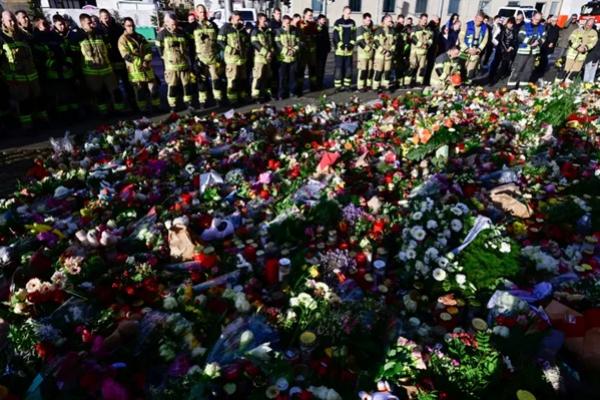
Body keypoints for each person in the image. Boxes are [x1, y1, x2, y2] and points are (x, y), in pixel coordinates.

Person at [0, 10, 44, 128]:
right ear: (2, 21)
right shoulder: (1, 38)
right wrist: (5, 78)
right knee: (24, 105)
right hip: (16, 80)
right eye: (10, 21)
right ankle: (28, 127)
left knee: (37, 101)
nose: (13, 23)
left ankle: (42, 123)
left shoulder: (23, 35)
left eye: (14, 20)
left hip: (32, 76)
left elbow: (35, 51)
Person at [32, 16, 77, 118]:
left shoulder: (56, 36)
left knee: (71, 95)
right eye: (44, 24)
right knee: (59, 97)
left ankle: (75, 114)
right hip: (53, 74)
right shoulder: (37, 40)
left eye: (47, 23)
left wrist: (68, 63)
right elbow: (40, 58)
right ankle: (64, 117)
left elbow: (67, 50)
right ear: (37, 26)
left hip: (67, 71)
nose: (47, 25)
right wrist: (56, 66)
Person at [118, 17, 159, 113]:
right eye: (129, 26)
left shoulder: (140, 37)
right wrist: (141, 63)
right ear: (124, 27)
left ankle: (156, 107)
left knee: (153, 87)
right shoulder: (122, 40)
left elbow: (149, 49)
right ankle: (143, 110)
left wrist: (146, 60)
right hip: (135, 70)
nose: (131, 27)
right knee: (139, 91)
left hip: (147, 67)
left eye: (132, 25)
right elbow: (126, 56)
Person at [156, 12, 193, 111]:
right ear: (166, 23)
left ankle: (188, 103)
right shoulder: (162, 34)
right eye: (172, 24)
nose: (174, 26)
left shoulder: (182, 33)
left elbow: (188, 47)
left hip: (184, 65)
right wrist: (166, 59)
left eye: (176, 24)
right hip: (171, 67)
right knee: (172, 86)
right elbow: (159, 50)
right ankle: (173, 105)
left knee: (187, 85)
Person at [98, 9, 128, 112]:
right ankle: (115, 106)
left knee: (126, 83)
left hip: (120, 59)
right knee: (113, 86)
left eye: (108, 17)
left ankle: (130, 103)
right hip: (108, 62)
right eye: (104, 17)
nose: (107, 19)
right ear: (100, 18)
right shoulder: (98, 31)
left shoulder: (118, 28)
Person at [193, 5, 223, 107]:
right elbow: (189, 44)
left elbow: (218, 41)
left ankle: (218, 99)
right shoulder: (193, 26)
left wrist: (219, 56)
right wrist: (194, 59)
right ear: (196, 13)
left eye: (204, 12)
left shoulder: (213, 25)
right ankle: (203, 101)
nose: (203, 14)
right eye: (201, 12)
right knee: (201, 81)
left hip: (213, 57)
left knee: (216, 79)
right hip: (200, 58)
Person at [218, 11, 250, 104]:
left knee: (242, 79)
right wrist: (231, 50)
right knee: (232, 79)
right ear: (231, 19)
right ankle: (232, 99)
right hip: (232, 60)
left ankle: (242, 97)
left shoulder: (242, 29)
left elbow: (247, 41)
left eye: (241, 19)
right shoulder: (226, 28)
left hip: (242, 59)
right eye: (238, 19)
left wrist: (246, 49)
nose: (240, 21)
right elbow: (220, 41)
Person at [508, 11, 545, 88]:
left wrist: (538, 42)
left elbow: (544, 37)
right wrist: (531, 42)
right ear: (533, 17)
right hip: (523, 52)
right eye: (536, 19)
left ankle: (522, 88)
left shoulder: (542, 28)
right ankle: (510, 87)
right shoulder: (525, 26)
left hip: (533, 53)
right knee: (517, 69)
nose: (537, 21)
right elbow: (520, 36)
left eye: (539, 19)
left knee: (527, 71)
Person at [556, 18, 598, 83]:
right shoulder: (577, 30)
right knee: (565, 70)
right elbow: (570, 40)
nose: (588, 26)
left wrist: (585, 48)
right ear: (585, 23)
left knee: (575, 72)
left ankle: (567, 86)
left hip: (581, 56)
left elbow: (593, 43)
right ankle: (557, 84)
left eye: (590, 25)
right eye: (588, 24)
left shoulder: (594, 33)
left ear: (592, 25)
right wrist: (577, 47)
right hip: (571, 55)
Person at [459, 11, 489, 82]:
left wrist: (478, 50)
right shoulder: (466, 25)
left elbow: (484, 41)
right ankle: (458, 84)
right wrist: (467, 49)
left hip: (475, 53)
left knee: (470, 72)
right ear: (475, 18)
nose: (479, 23)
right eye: (478, 20)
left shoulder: (485, 28)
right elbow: (461, 38)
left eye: (481, 21)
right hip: (465, 52)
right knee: (461, 69)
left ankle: (467, 86)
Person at [250, 13, 274, 102]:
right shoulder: (255, 31)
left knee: (268, 77)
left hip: (268, 58)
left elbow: (270, 43)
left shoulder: (267, 31)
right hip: (259, 58)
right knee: (258, 77)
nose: (265, 22)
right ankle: (255, 95)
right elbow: (255, 44)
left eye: (266, 21)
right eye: (264, 20)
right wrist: (266, 52)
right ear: (259, 20)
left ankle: (266, 93)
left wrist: (271, 51)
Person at [274, 15, 299, 99]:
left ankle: (292, 92)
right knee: (282, 77)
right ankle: (281, 94)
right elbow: (277, 44)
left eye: (289, 23)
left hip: (293, 57)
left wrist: (294, 50)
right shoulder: (278, 31)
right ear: (283, 22)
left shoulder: (294, 31)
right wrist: (286, 51)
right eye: (287, 23)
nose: (288, 25)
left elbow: (299, 43)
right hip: (282, 57)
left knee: (293, 76)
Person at [332, 6, 356, 92]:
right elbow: (335, 35)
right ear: (343, 12)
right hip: (340, 51)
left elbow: (354, 35)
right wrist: (341, 45)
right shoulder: (338, 22)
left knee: (349, 69)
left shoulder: (352, 22)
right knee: (338, 69)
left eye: (350, 13)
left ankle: (347, 86)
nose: (349, 14)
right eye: (347, 13)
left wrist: (351, 44)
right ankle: (338, 87)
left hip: (349, 51)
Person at [405, 13, 433, 86]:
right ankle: (407, 83)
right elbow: (413, 38)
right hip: (415, 52)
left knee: (422, 68)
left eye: (426, 20)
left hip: (424, 53)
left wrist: (427, 45)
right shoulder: (415, 28)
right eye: (423, 20)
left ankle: (418, 82)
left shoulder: (428, 29)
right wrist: (421, 45)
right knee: (412, 67)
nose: (425, 21)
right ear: (420, 19)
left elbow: (430, 39)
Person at [489, 16, 518, 84]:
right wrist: (505, 48)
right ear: (507, 23)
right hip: (500, 49)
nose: (510, 25)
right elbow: (500, 40)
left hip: (508, 51)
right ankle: (491, 78)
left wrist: (511, 47)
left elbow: (515, 41)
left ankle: (499, 75)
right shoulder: (502, 29)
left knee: (504, 65)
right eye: (509, 23)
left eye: (512, 23)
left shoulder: (514, 32)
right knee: (495, 63)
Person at [296, 8, 318, 94]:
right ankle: (299, 89)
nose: (310, 17)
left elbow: (316, 33)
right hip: (302, 51)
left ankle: (313, 86)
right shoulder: (300, 23)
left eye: (311, 15)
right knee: (301, 70)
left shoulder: (313, 24)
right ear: (304, 15)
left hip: (311, 51)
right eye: (309, 15)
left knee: (312, 69)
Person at [372, 14, 396, 92]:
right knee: (378, 71)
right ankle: (375, 87)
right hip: (380, 55)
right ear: (384, 21)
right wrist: (384, 51)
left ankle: (385, 86)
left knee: (387, 71)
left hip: (388, 55)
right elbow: (376, 42)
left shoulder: (392, 31)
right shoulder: (378, 30)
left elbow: (394, 43)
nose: (390, 22)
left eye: (391, 20)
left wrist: (390, 51)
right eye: (389, 20)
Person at [356, 12, 375, 92]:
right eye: (367, 20)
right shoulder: (360, 29)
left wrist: (373, 48)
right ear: (363, 20)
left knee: (369, 70)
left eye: (370, 20)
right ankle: (360, 86)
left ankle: (367, 85)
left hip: (370, 55)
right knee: (363, 70)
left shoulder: (369, 30)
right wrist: (368, 49)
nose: (369, 22)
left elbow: (372, 40)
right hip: (363, 54)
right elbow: (360, 41)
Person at [537, 15, 559, 80]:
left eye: (555, 21)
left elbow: (556, 37)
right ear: (551, 20)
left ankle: (542, 70)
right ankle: (539, 70)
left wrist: (553, 42)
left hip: (551, 46)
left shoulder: (557, 28)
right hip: (545, 45)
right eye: (553, 20)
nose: (554, 22)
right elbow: (545, 35)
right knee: (543, 58)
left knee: (547, 58)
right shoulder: (547, 26)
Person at [315, 14, 330, 90]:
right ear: (319, 20)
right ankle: (316, 84)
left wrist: (328, 47)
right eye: (323, 19)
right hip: (317, 50)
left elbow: (327, 38)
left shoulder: (325, 28)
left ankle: (320, 83)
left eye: (324, 19)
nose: (324, 21)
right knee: (317, 68)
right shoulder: (315, 27)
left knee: (322, 67)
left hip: (324, 51)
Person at [394, 15, 410, 87]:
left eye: (403, 22)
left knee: (402, 68)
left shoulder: (405, 30)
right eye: (400, 21)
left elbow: (407, 41)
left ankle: (400, 83)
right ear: (397, 21)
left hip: (403, 52)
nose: (401, 23)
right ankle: (396, 82)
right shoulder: (394, 30)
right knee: (396, 68)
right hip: (396, 52)